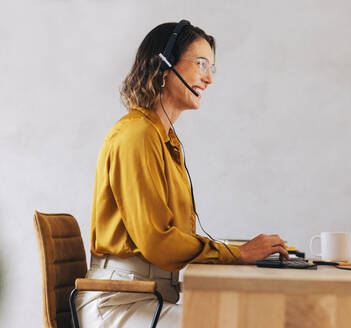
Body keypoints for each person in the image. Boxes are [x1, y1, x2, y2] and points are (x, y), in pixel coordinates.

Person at [75, 20, 289, 328]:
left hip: (150, 297)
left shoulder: (163, 137)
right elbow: (157, 243)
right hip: (120, 303)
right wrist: (236, 253)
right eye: (201, 64)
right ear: (163, 64)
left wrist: (238, 252)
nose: (209, 78)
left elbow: (172, 237)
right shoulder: (137, 135)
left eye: (211, 67)